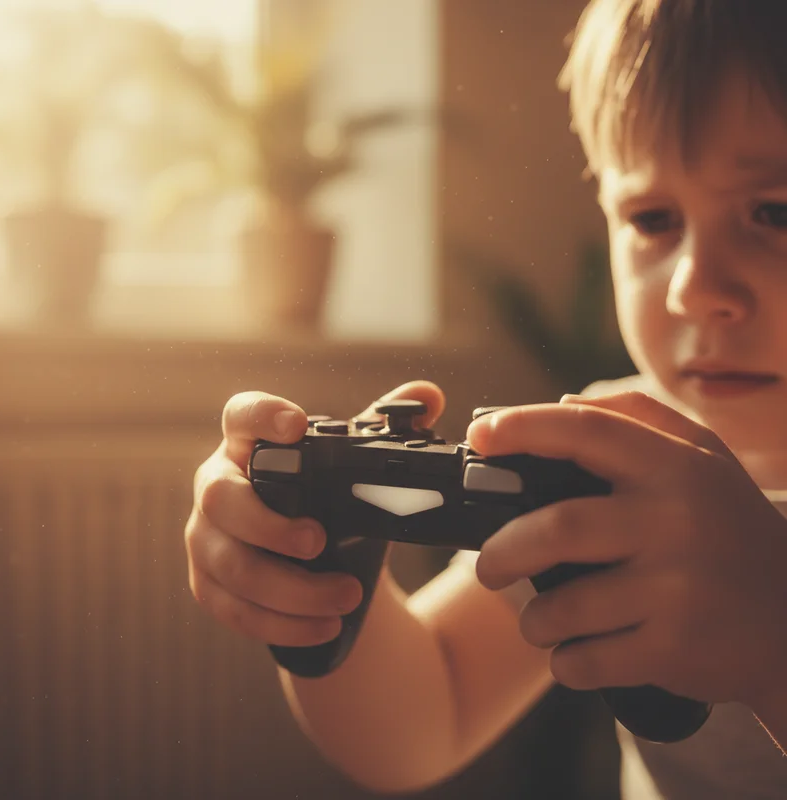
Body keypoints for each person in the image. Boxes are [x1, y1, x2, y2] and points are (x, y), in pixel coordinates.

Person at [184, 1, 787, 796]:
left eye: (774, 211)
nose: (693, 288)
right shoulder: (611, 457)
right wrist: (325, 596)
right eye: (652, 218)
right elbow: (422, 724)